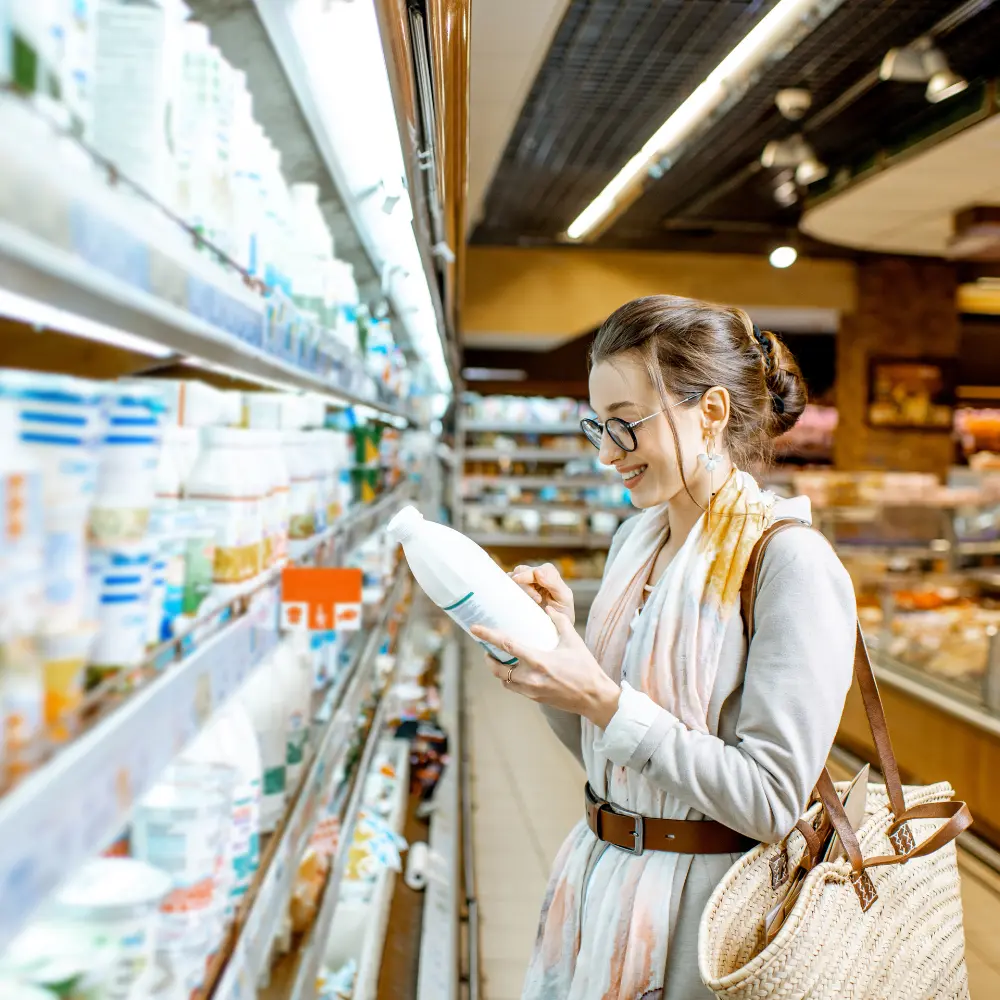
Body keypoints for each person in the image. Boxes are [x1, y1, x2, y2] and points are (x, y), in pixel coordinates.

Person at [471, 295, 857, 1000]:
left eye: (625, 425)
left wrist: (605, 698)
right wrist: (549, 656)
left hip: (704, 925)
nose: (606, 453)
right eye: (597, 426)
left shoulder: (789, 563)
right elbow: (608, 750)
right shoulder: (635, 545)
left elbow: (770, 800)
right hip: (599, 885)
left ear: (710, 413)